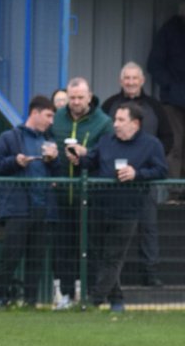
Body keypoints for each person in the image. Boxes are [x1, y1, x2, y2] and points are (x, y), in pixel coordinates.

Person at [66, 103, 167, 311]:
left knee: (113, 257)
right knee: (96, 254)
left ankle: (93, 301)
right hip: (99, 207)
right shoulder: (106, 141)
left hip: (128, 210)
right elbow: (90, 161)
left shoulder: (152, 144)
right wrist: (78, 159)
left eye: (121, 120)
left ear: (135, 124)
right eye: (115, 120)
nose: (116, 124)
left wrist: (136, 174)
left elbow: (160, 171)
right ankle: (117, 299)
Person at [101, 62, 173, 287]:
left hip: (145, 181)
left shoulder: (155, 106)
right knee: (110, 232)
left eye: (135, 78)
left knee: (148, 227)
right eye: (127, 78)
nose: (131, 82)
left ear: (142, 81)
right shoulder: (109, 105)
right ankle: (111, 281)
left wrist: (149, 159)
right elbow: (102, 139)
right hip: (114, 185)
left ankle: (150, 274)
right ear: (121, 81)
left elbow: (168, 137)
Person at [0, 95, 63, 307]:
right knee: (10, 256)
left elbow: (57, 174)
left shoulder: (48, 140)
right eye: (48, 115)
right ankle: (0, 298)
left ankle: (30, 301)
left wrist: (54, 160)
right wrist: (15, 161)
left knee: (37, 258)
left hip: (43, 208)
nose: (51, 121)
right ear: (35, 113)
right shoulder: (10, 137)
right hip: (18, 208)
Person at [50, 77, 112, 310]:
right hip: (62, 195)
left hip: (90, 198)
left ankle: (89, 296)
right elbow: (50, 143)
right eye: (72, 97)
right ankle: (66, 295)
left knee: (90, 248)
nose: (75, 102)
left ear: (89, 96)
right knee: (64, 247)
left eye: (80, 97)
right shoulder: (57, 118)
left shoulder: (102, 122)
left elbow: (106, 153)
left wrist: (87, 154)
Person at [148, 2, 185, 178]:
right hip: (173, 102)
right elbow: (154, 64)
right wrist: (171, 86)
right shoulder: (169, 31)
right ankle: (174, 194)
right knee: (174, 147)